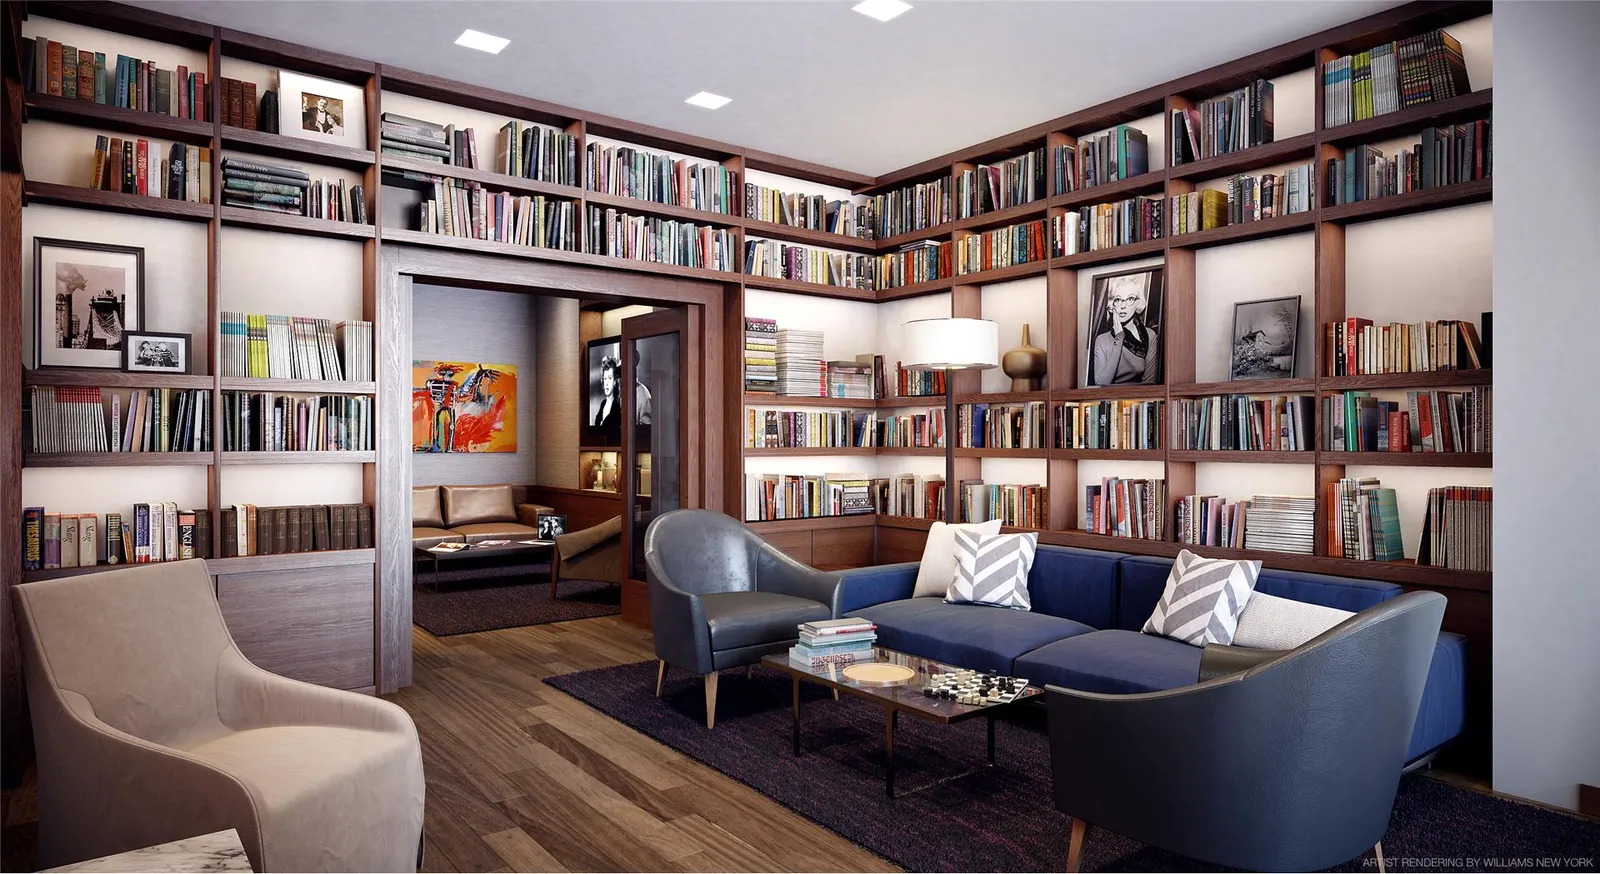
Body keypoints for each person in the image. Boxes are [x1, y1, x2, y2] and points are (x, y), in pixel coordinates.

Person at [1089, 272, 1160, 385]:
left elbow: (1149, 384)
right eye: (1118, 299)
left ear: (1138, 303)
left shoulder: (1149, 336)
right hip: (1108, 401)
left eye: (1130, 299)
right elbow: (1101, 383)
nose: (1123, 306)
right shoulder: (1101, 340)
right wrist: (1119, 337)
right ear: (1113, 304)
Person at [592, 356, 622, 444]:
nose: (607, 383)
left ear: (614, 381)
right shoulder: (603, 404)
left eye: (609, 378)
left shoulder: (617, 406)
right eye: (605, 379)